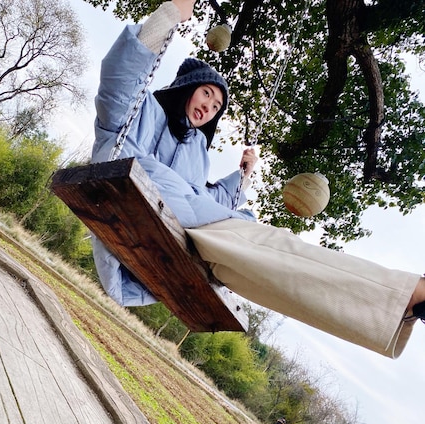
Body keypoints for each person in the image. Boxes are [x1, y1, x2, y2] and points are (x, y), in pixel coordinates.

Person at [90, 0, 425, 358]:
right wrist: (170, 13)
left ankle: (394, 313)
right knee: (278, 249)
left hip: (186, 235)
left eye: (217, 106)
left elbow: (204, 199)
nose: (210, 107)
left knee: (271, 277)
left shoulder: (195, 153)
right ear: (187, 88)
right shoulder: (140, 113)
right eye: (207, 93)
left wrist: (244, 178)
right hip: (146, 206)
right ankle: (405, 295)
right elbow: (121, 78)